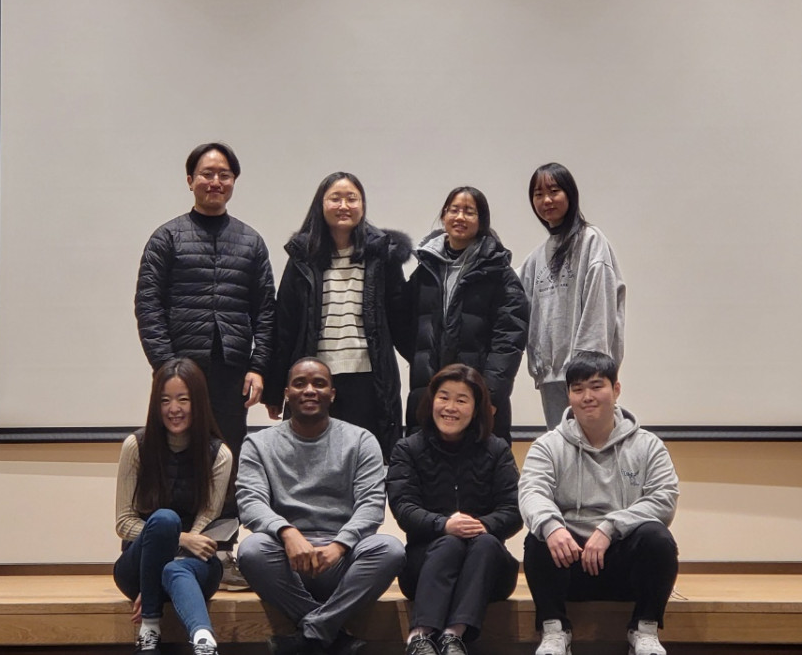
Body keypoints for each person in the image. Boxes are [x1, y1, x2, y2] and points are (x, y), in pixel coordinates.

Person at [135, 141, 276, 580]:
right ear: (190, 180)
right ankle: (171, 545)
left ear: (234, 182)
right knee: (174, 459)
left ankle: (222, 552)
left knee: (227, 461)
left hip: (232, 372)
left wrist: (258, 366)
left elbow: (266, 311)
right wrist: (166, 370)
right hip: (180, 373)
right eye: (207, 173)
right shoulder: (167, 237)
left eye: (224, 175)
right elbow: (148, 307)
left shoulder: (251, 241)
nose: (215, 181)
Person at [237, 359, 406, 655]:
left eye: (319, 384)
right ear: (287, 393)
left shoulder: (361, 440)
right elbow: (250, 501)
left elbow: (371, 504)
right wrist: (287, 533)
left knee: (390, 549)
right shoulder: (258, 444)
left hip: (341, 559)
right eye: (300, 383)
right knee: (252, 550)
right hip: (287, 559)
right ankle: (332, 634)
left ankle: (310, 634)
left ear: (332, 393)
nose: (309, 390)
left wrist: (340, 545)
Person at [519, 352, 679, 655]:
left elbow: (664, 498)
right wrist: (553, 527)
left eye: (596, 386)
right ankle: (554, 631)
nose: (587, 397)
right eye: (578, 389)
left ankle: (644, 630)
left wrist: (609, 528)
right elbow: (531, 492)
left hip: (622, 563)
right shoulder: (548, 446)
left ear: (616, 389)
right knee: (539, 537)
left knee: (657, 538)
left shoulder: (647, 445)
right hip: (570, 563)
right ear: (568, 396)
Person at [268, 172, 411, 458]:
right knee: (311, 459)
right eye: (335, 198)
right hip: (316, 379)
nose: (344, 206)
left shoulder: (380, 255)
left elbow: (401, 319)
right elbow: (285, 324)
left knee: (366, 457)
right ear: (321, 205)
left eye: (351, 199)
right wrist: (273, 390)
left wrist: (424, 372)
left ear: (362, 205)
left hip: (369, 379)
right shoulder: (303, 255)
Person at [387, 365, 521, 655]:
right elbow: (403, 507)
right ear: (431, 401)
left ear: (476, 408)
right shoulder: (408, 449)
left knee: (485, 542)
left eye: (461, 400)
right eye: (443, 397)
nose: (450, 407)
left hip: (487, 570)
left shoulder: (497, 449)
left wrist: (481, 526)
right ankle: (420, 637)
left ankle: (452, 637)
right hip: (424, 567)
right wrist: (444, 525)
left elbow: (514, 509)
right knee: (448, 543)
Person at [114, 359, 233, 655]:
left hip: (192, 565)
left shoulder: (219, 454)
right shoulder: (136, 446)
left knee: (174, 569)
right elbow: (123, 522)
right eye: (165, 400)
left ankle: (204, 642)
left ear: (198, 402)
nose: (173, 409)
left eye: (183, 399)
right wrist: (180, 539)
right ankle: (150, 626)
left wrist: (160, 573)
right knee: (165, 520)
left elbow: (207, 518)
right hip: (137, 564)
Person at [403, 186, 528, 443]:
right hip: (428, 389)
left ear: (481, 221)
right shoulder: (425, 270)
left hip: (479, 394)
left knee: (480, 459)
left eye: (469, 212)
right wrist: (422, 359)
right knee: (426, 458)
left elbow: (509, 340)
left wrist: (490, 395)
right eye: (454, 210)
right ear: (444, 215)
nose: (460, 217)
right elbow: (406, 327)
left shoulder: (499, 273)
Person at [520, 162, 625, 429]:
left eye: (554, 191)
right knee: (561, 446)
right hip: (551, 377)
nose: (546, 200)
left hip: (586, 376)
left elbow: (599, 308)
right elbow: (511, 294)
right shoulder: (537, 257)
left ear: (570, 194)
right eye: (538, 194)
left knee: (594, 444)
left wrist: (588, 370)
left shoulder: (591, 241)